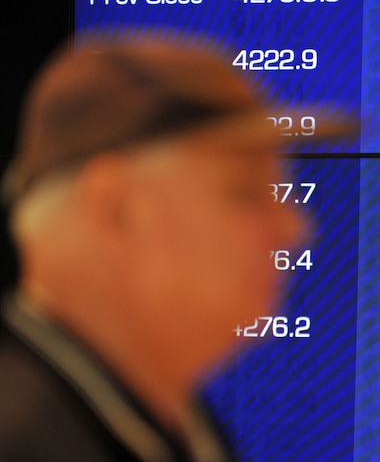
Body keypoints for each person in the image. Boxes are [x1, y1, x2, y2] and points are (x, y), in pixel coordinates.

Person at [0, 35, 347, 460]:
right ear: (115, 208)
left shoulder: (177, 426)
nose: (295, 229)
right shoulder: (21, 440)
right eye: (246, 193)